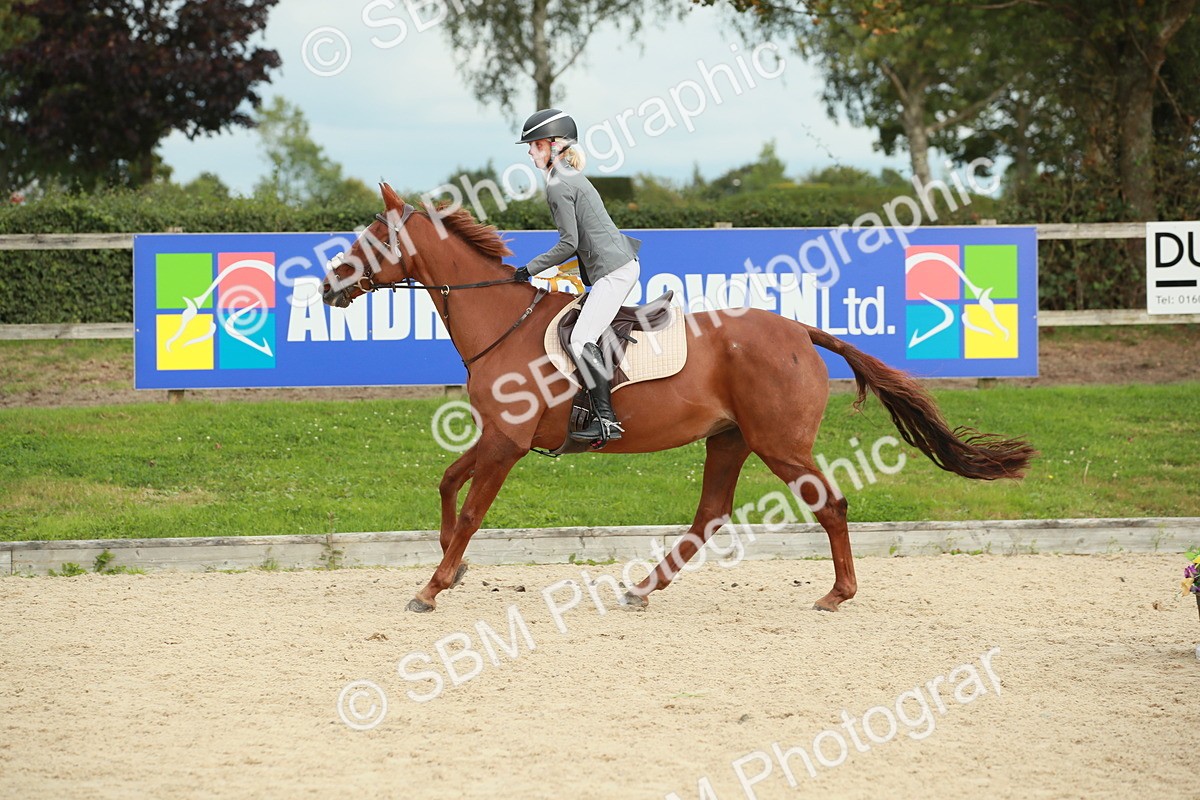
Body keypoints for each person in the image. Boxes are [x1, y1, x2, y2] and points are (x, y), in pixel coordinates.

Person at [513, 108, 641, 444]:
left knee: (580, 338)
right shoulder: (566, 177)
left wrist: (529, 269)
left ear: (554, 146)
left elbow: (569, 243)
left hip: (614, 272)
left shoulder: (558, 184)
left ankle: (606, 421)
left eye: (534, 145)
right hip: (614, 267)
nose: (529, 152)